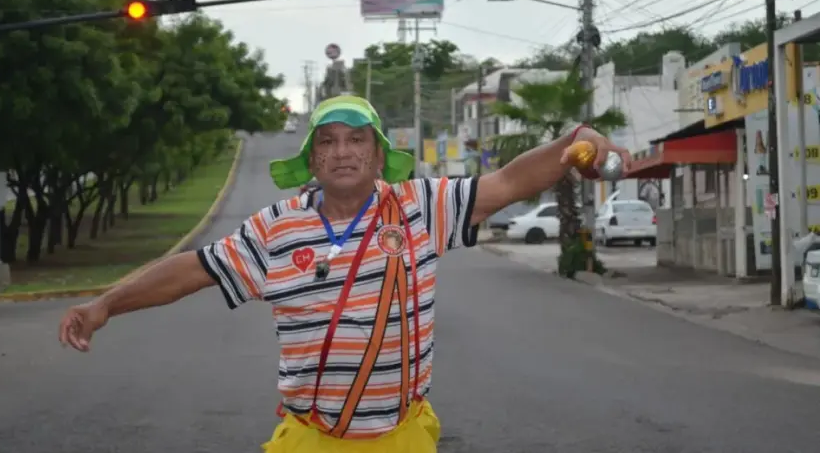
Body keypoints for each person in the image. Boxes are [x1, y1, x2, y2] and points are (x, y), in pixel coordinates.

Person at [58, 95, 631, 452]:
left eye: (357, 140)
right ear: (312, 159)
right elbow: (195, 269)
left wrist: (574, 141)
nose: (343, 152)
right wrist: (107, 303)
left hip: (400, 438)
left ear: (380, 155)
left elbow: (505, 183)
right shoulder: (275, 230)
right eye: (328, 142)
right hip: (311, 439)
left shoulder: (420, 208)